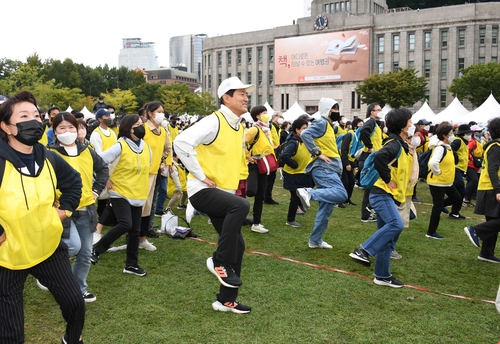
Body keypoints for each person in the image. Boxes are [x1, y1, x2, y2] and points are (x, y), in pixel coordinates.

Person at [0, 91, 85, 343]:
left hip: (48, 248)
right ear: (5, 126)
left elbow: (73, 183)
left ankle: (72, 339)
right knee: (11, 331)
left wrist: (64, 210)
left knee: (75, 304)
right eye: (23, 116)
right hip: (9, 256)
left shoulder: (48, 157)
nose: (34, 120)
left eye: (36, 115)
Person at [174, 76, 253, 314]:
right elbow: (181, 142)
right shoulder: (214, 121)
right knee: (241, 206)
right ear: (226, 98)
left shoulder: (239, 124)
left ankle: (225, 300)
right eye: (241, 93)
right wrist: (198, 174)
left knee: (238, 245)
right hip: (203, 192)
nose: (246, 97)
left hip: (223, 195)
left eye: (246, 94)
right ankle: (218, 260)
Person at [349, 108, 414, 288]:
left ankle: (382, 276)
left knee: (385, 238)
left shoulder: (400, 144)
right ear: (402, 125)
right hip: (381, 194)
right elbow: (379, 156)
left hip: (387, 195)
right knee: (396, 224)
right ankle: (363, 250)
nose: (411, 124)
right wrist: (387, 179)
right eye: (409, 121)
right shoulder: (394, 144)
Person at [48, 112, 109, 302]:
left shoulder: (87, 150)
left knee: (84, 253)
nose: (68, 131)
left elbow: (103, 169)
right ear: (55, 132)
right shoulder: (49, 153)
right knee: (72, 246)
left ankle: (78, 289)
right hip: (62, 209)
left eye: (71, 127)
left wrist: (97, 190)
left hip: (86, 209)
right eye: (62, 128)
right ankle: (49, 270)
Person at [91, 114, 152, 277]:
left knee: (135, 230)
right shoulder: (121, 145)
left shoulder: (146, 146)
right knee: (125, 224)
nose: (140, 127)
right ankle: (96, 249)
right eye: (136, 125)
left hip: (138, 194)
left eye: (141, 124)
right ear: (127, 128)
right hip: (120, 192)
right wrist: (106, 179)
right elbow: (98, 160)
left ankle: (131, 265)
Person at [296, 97, 348, 248]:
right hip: (324, 168)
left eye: (337, 108)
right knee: (341, 194)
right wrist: (317, 152)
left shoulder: (329, 126)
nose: (337, 112)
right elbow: (305, 134)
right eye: (334, 109)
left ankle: (315, 241)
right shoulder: (322, 122)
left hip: (327, 168)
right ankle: (308, 193)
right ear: (327, 110)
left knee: (325, 209)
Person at [464, 117, 500, 263]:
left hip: (489, 187)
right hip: (492, 188)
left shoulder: (494, 146)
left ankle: (486, 253)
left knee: (493, 221)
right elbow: (493, 169)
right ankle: (476, 230)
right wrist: (498, 189)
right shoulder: (496, 147)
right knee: (495, 221)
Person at [425, 122, 463, 239]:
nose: (453, 135)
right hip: (437, 182)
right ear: (445, 135)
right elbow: (432, 162)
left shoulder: (448, 147)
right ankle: (431, 232)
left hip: (446, 181)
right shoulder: (440, 148)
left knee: (456, 197)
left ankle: (440, 205)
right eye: (451, 133)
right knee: (437, 208)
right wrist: (437, 172)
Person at [245, 105, 276, 233]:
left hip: (264, 166)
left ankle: (256, 223)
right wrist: (248, 156)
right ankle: (241, 215)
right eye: (264, 112)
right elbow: (241, 144)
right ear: (257, 116)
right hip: (253, 165)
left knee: (260, 196)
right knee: (251, 191)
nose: (266, 114)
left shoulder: (266, 130)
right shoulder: (254, 129)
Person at [280, 118, 313, 227]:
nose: (306, 130)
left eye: (307, 128)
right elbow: (284, 156)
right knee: (295, 197)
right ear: (297, 130)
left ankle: (299, 208)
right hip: (293, 174)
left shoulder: (306, 140)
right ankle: (290, 219)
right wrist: (294, 164)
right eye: (304, 128)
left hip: (304, 173)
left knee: (303, 194)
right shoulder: (294, 142)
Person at [359, 103, 384, 222]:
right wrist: (370, 147)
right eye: (378, 110)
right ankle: (366, 214)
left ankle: (370, 211)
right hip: (371, 157)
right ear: (372, 112)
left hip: (376, 157)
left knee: (373, 186)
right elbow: (364, 131)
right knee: (370, 186)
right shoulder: (371, 122)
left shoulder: (377, 124)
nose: (380, 111)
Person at [340, 118, 364, 206]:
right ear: (355, 126)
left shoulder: (358, 137)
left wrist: (353, 165)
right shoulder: (350, 134)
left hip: (351, 162)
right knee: (344, 182)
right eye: (360, 125)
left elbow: (354, 152)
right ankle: (339, 200)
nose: (362, 126)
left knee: (351, 182)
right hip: (344, 161)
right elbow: (344, 149)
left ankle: (347, 200)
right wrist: (346, 163)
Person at [450, 124, 473, 212]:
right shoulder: (458, 141)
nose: (469, 135)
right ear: (463, 134)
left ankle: (455, 212)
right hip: (456, 168)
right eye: (468, 133)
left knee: (461, 193)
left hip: (461, 168)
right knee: (459, 186)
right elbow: (451, 149)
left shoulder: (464, 142)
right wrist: (456, 158)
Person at [263, 111, 283, 205]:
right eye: (280, 116)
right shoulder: (270, 126)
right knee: (268, 177)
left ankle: (267, 196)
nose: (281, 118)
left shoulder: (277, 128)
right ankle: (266, 197)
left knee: (272, 177)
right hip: (270, 153)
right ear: (275, 117)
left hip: (275, 153)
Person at [463, 124, 484, 206]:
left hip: (475, 164)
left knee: (471, 181)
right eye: (478, 131)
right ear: (474, 132)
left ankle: (467, 199)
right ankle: (465, 197)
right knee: (474, 180)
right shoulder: (472, 141)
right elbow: (467, 150)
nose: (480, 133)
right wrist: (471, 157)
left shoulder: (477, 141)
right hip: (470, 163)